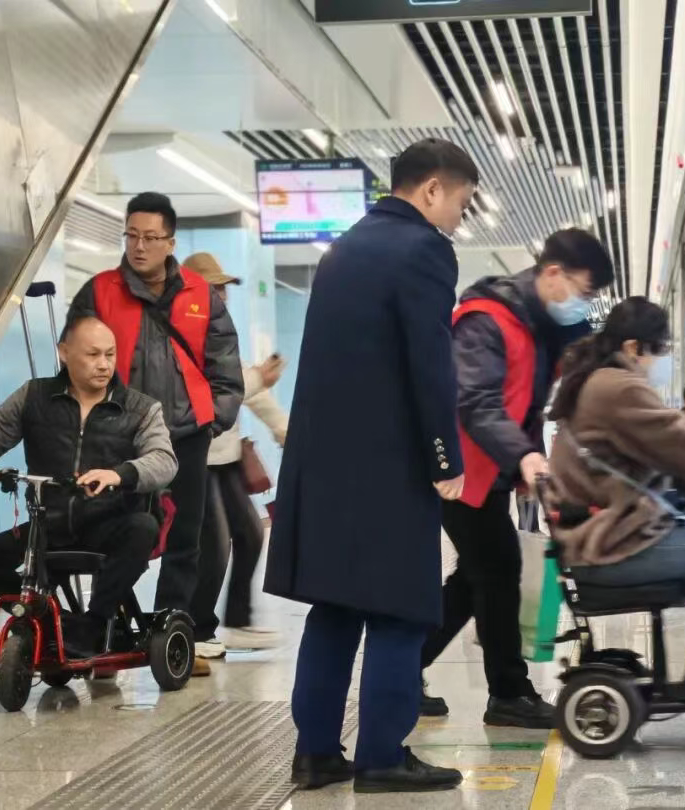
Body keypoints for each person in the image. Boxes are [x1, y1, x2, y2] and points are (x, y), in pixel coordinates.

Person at [263, 138, 479, 794]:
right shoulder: (425, 250)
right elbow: (429, 365)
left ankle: (316, 755)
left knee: (333, 609)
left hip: (323, 464)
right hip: (389, 467)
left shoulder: (344, 247)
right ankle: (383, 755)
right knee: (400, 612)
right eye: (461, 202)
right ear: (433, 189)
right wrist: (445, 456)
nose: (459, 218)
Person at [419, 228, 615, 728]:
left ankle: (401, 668)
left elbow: (530, 398)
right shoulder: (486, 321)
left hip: (492, 467)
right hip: (458, 469)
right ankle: (508, 693)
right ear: (553, 273)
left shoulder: (542, 324)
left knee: (476, 575)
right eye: (584, 291)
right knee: (497, 569)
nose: (582, 303)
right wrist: (524, 455)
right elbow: (476, 402)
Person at [545, 298, 685, 697]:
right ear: (634, 347)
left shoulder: (593, 380)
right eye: (662, 349)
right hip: (608, 547)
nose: (663, 359)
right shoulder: (617, 386)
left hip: (592, 540)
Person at [67, 192, 244, 677]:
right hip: (117, 440)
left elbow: (225, 367)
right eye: (131, 236)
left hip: (185, 437)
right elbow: (75, 357)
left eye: (149, 237)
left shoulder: (202, 297)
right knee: (116, 536)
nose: (139, 246)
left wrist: (210, 420)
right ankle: (105, 637)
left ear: (170, 241)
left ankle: (173, 641)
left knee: (185, 542)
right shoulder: (99, 292)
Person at [0, 317, 178, 656]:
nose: (104, 364)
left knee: (144, 526)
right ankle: (50, 621)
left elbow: (164, 460)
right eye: (93, 354)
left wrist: (119, 474)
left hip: (110, 524)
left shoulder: (140, 408)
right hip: (48, 525)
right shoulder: (33, 396)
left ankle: (93, 626)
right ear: (64, 353)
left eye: (110, 354)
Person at [184, 252, 289, 659]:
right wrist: (258, 377)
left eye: (223, 289)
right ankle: (197, 629)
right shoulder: (182, 335)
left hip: (226, 457)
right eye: (214, 289)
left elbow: (249, 391)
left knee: (250, 533)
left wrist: (283, 429)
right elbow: (216, 389)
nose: (222, 296)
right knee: (215, 545)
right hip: (197, 459)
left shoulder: (220, 335)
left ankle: (238, 621)